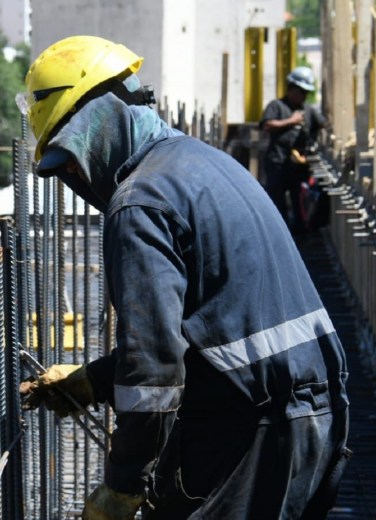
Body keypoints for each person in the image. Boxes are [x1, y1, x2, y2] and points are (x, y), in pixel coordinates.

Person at [18, 36, 349, 520]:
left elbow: (153, 371)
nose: (75, 174)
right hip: (315, 417)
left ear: (99, 119)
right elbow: (213, 329)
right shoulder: (204, 163)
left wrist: (123, 486)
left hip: (254, 431)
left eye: (70, 156)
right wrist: (96, 379)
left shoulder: (139, 203)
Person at [260, 66, 327, 235]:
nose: (304, 96)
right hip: (277, 164)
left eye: (306, 93)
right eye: (301, 92)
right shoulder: (277, 106)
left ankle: (301, 236)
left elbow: (324, 124)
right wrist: (291, 121)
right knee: (277, 205)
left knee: (300, 205)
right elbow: (267, 125)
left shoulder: (308, 110)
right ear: (291, 88)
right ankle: (278, 235)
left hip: (298, 167)